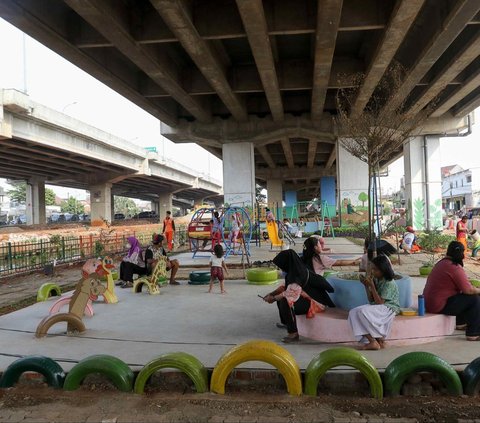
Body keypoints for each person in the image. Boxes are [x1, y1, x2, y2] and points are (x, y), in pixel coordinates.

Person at [263, 250, 335, 343]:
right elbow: (285, 287)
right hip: (307, 299)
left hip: (316, 303)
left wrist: (272, 298)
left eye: (281, 264)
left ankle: (293, 333)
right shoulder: (295, 271)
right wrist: (272, 294)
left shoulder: (298, 275)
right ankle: (287, 323)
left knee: (285, 301)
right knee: (281, 299)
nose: (280, 268)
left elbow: (289, 294)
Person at [423, 241, 480, 341]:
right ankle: (473, 333)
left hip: (430, 303)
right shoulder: (453, 267)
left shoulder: (442, 263)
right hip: (438, 305)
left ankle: (460, 324)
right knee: (474, 299)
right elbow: (468, 290)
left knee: (463, 295)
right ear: (461, 254)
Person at [348, 255, 400, 350]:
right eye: (372, 269)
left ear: (383, 270)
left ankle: (377, 340)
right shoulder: (377, 279)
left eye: (375, 270)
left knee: (362, 312)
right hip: (378, 306)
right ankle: (374, 340)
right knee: (353, 312)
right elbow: (371, 300)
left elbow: (380, 302)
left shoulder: (389, 282)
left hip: (388, 308)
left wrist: (372, 286)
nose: (373, 272)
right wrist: (366, 286)